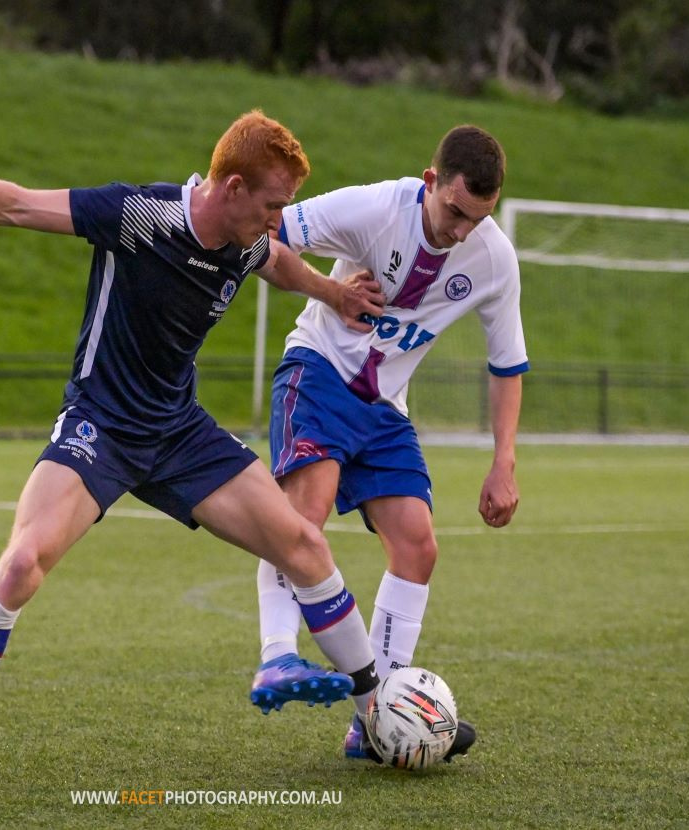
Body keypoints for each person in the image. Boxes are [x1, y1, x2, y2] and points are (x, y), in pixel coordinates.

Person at [0, 110, 390, 791]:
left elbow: (275, 263)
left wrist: (333, 292)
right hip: (100, 426)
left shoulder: (248, 240)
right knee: (20, 566)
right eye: (274, 204)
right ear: (234, 187)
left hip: (178, 431)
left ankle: (377, 718)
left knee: (305, 548)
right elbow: (11, 205)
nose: (280, 219)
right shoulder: (139, 215)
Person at [251, 124, 528, 763]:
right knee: (302, 523)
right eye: (454, 211)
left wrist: (503, 463)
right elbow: (261, 235)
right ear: (431, 181)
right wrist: (329, 289)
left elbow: (507, 363)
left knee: (418, 546)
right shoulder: (374, 208)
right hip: (319, 372)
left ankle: (376, 725)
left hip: (384, 409)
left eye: (476, 219)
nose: (461, 230)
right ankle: (276, 658)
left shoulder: (493, 256)